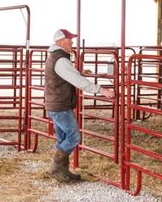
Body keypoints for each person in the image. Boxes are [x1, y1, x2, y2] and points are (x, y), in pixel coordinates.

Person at [44, 29, 115, 183]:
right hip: (61, 105)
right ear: (61, 41)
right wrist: (101, 89)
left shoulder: (56, 57)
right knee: (74, 137)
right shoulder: (61, 60)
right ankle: (56, 166)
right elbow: (76, 81)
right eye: (69, 39)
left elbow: (68, 75)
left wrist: (78, 71)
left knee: (63, 137)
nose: (72, 42)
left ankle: (63, 170)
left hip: (56, 103)